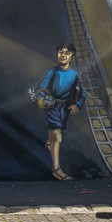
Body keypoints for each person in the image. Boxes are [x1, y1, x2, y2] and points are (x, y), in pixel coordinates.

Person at [35, 43, 86, 180]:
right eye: (60, 52)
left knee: (54, 136)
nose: (63, 55)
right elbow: (42, 85)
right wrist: (40, 97)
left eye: (67, 53)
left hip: (64, 109)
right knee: (58, 137)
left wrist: (77, 105)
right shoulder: (52, 71)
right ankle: (56, 169)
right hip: (51, 106)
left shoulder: (75, 75)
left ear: (72, 58)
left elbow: (83, 93)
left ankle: (49, 143)